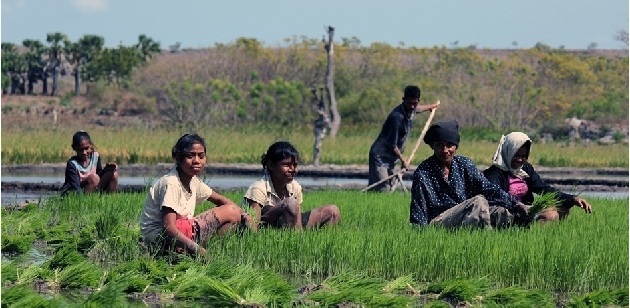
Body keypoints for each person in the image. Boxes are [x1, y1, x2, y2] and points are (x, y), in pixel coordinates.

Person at [139, 133, 251, 257]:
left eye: (201, 156)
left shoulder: (193, 181)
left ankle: (209, 253)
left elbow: (220, 199)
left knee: (231, 221)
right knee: (230, 211)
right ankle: (195, 252)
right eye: (190, 156)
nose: (196, 161)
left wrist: (243, 215)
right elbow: (169, 228)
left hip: (177, 232)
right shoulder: (171, 183)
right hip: (160, 239)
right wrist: (197, 250)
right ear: (178, 158)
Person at [409, 120, 529, 229]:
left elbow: (487, 188)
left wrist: (515, 204)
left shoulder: (464, 164)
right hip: (439, 221)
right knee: (478, 202)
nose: (445, 150)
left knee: (501, 212)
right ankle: (487, 240)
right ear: (432, 146)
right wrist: (421, 235)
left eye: (449, 145)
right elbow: (418, 210)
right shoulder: (423, 173)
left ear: (456, 146)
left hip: (466, 216)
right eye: (439, 145)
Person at [483, 132, 592, 220]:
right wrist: (520, 207)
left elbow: (544, 189)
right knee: (550, 216)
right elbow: (496, 199)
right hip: (507, 213)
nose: (520, 160)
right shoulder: (494, 174)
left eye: (524, 156)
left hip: (526, 210)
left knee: (564, 207)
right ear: (508, 152)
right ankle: (529, 232)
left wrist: (572, 199)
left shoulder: (525, 169)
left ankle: (535, 228)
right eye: (516, 155)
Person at [243, 141, 341, 230]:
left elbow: (297, 217)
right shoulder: (258, 188)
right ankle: (298, 240)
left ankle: (323, 241)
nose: (293, 170)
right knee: (290, 203)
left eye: (295, 165)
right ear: (271, 165)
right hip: (266, 226)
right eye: (286, 165)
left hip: (288, 224)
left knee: (332, 211)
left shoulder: (295, 187)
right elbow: (253, 226)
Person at [368, 85, 440, 192]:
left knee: (392, 185)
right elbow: (392, 145)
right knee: (383, 188)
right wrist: (404, 160)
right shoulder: (397, 117)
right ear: (403, 100)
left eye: (414, 103)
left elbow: (418, 109)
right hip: (380, 157)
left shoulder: (412, 109)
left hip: (391, 159)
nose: (412, 106)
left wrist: (432, 106)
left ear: (418, 101)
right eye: (409, 103)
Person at [61, 131, 118, 195]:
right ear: (74, 148)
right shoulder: (72, 164)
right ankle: (88, 200)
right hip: (76, 191)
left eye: (86, 148)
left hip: (94, 187)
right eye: (80, 150)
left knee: (113, 174)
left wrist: (107, 170)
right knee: (94, 178)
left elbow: (99, 174)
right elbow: (75, 187)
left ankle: (108, 199)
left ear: (91, 146)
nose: (84, 152)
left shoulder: (95, 156)